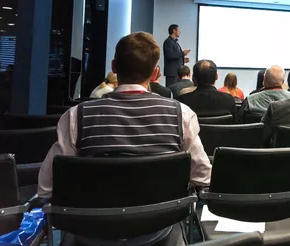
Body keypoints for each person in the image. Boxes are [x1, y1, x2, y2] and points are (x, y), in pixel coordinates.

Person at [38, 32, 211, 245]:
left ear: (114, 66)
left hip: (89, 234)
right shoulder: (181, 116)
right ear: (156, 73)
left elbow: (46, 188)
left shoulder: (76, 117)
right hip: (159, 233)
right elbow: (203, 179)